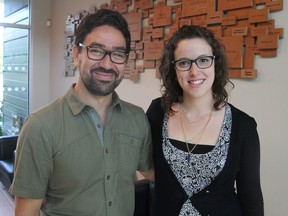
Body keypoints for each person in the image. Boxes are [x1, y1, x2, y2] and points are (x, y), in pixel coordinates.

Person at [9, 9, 153, 216]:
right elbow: (26, 212)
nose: (107, 63)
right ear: (77, 55)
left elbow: (153, 172)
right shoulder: (40, 126)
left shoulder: (138, 118)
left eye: (118, 54)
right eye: (96, 50)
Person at [146, 25, 264, 216]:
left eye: (203, 60)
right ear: (173, 69)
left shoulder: (244, 126)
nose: (194, 71)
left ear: (215, 64)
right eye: (184, 63)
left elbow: (252, 199)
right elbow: (143, 166)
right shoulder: (157, 113)